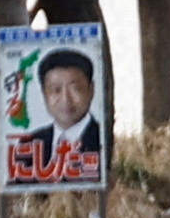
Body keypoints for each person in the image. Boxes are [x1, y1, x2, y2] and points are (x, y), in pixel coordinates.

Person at [11, 48, 107, 182]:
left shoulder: (102, 139)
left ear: (91, 90)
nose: (65, 99)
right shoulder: (29, 144)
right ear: (44, 95)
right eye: (56, 90)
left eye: (75, 89)